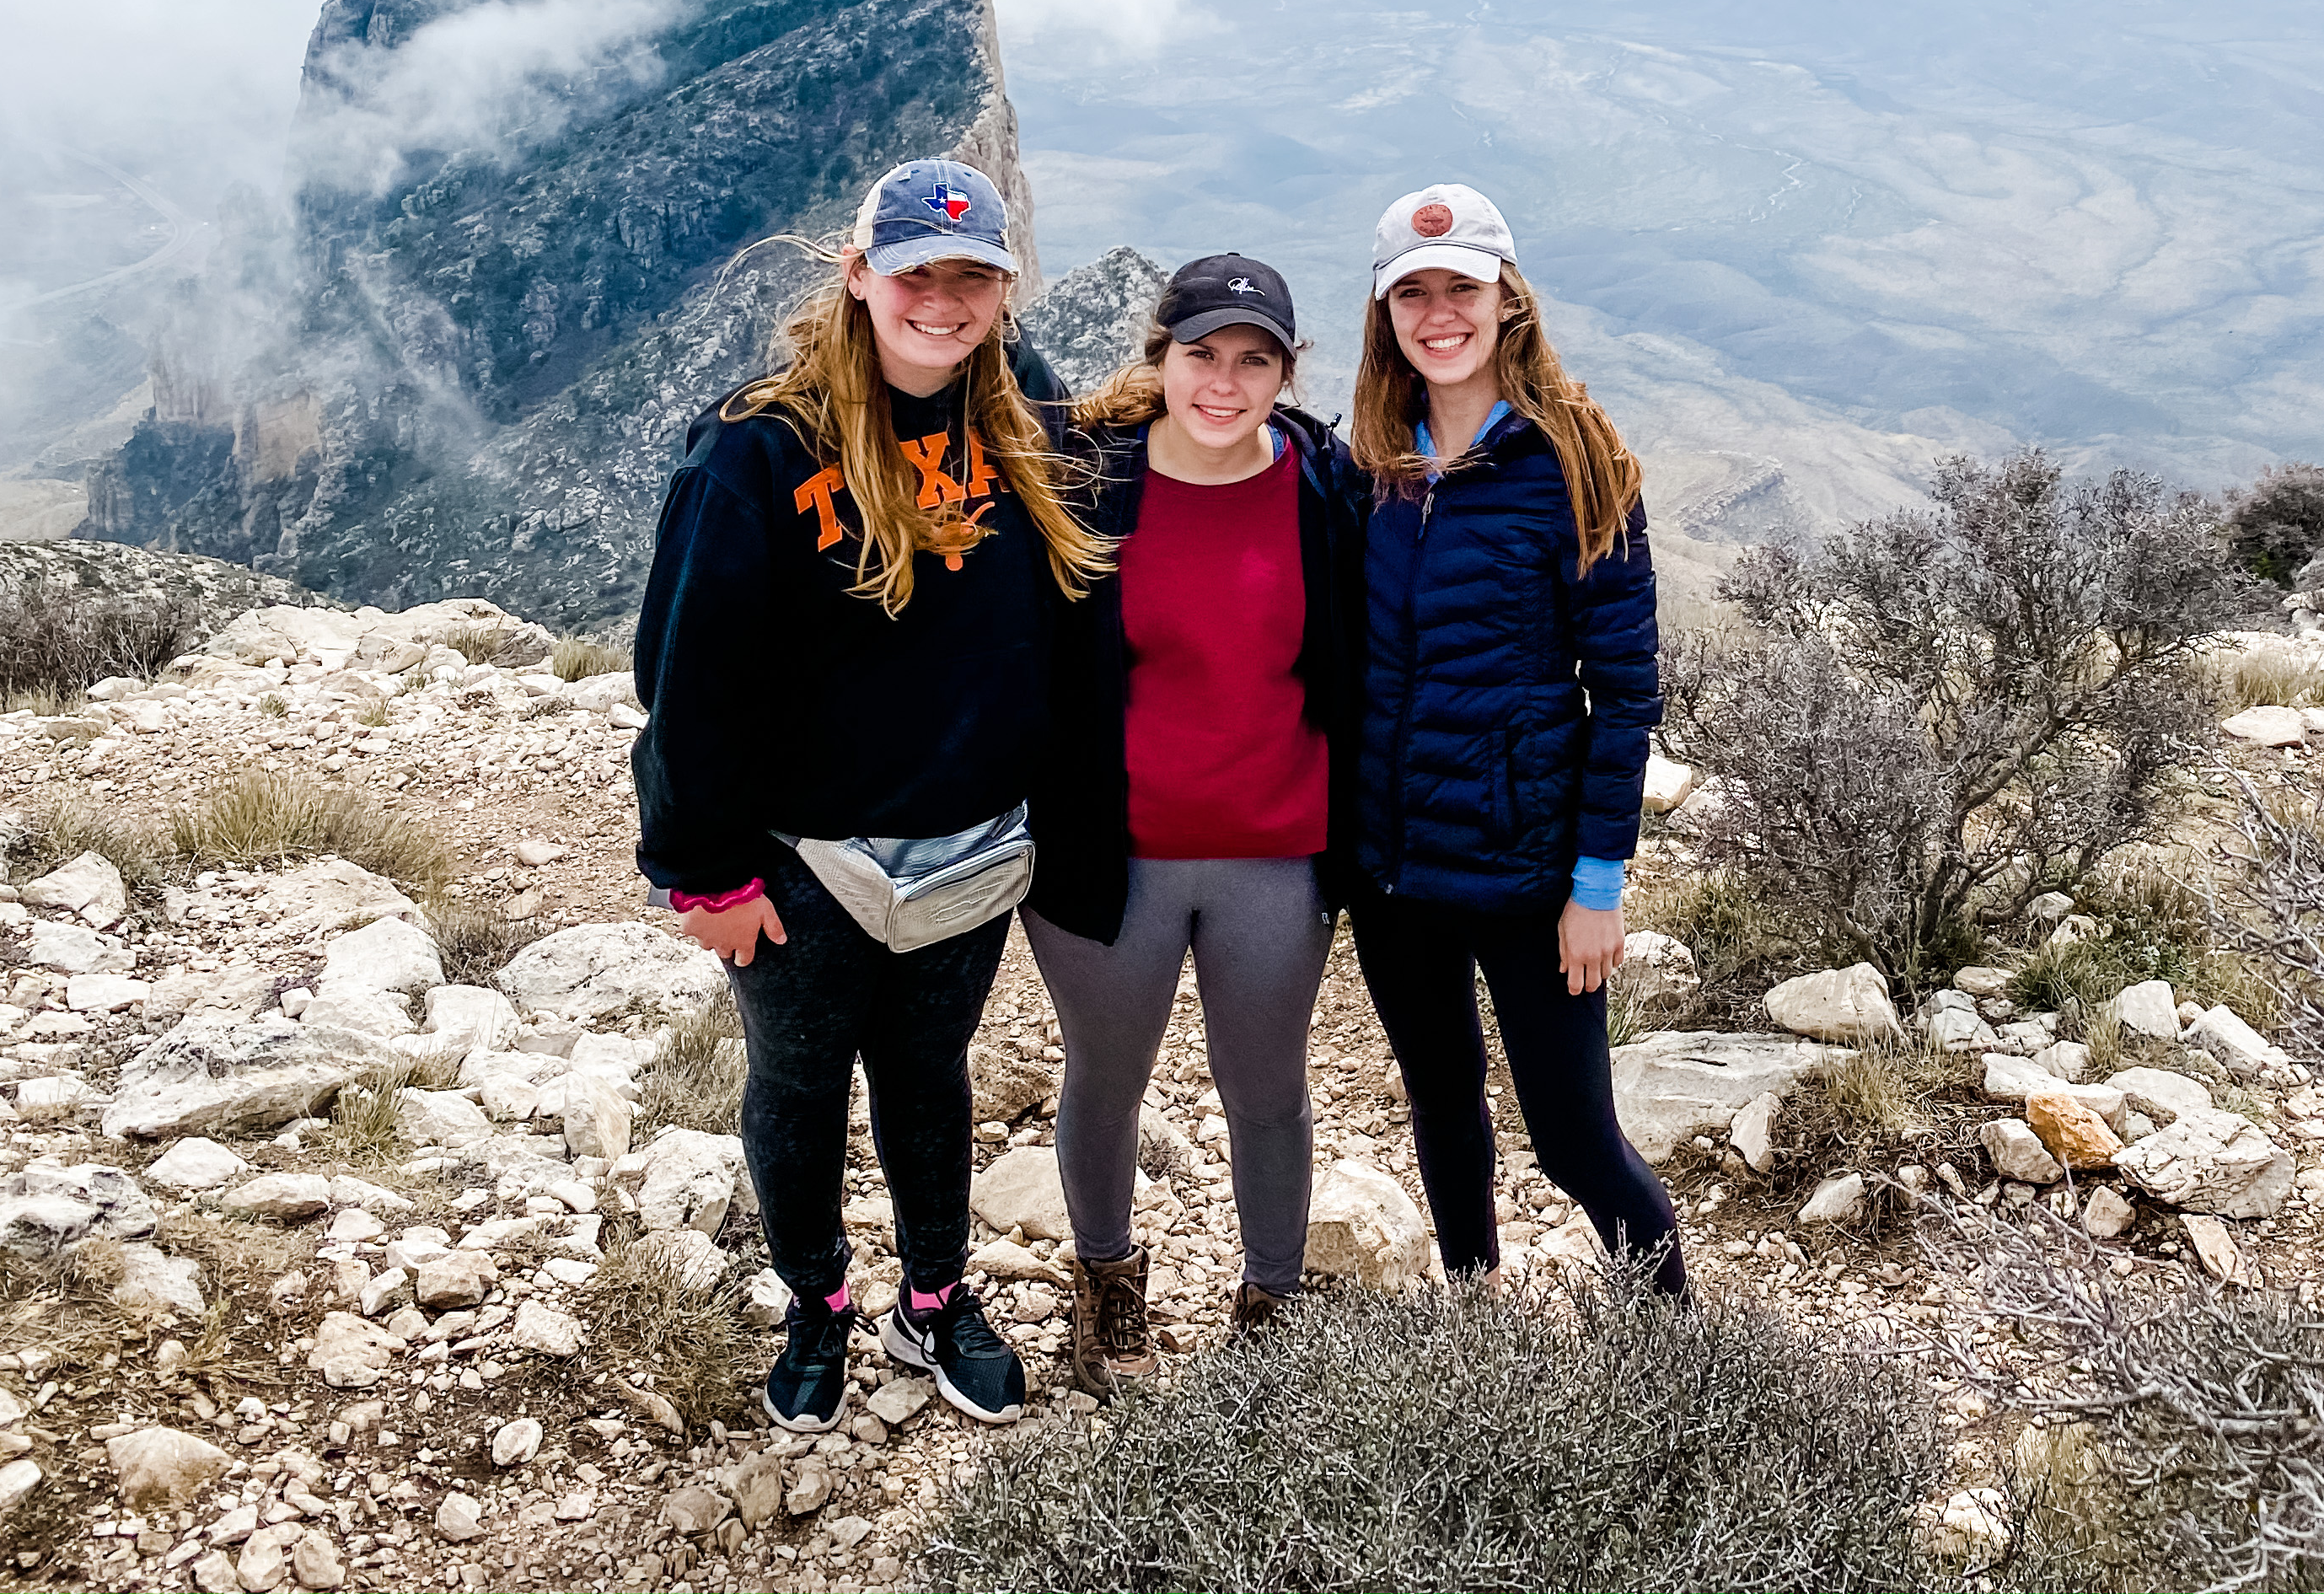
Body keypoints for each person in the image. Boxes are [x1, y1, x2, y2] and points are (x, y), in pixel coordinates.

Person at [631, 157, 1105, 1431]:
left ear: (1004, 289)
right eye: (913, 275)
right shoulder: (758, 447)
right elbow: (685, 675)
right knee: (798, 1087)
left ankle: (935, 1298)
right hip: (806, 860)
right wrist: (706, 874)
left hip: (973, 846)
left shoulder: (1029, 416)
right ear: (858, 277)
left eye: (971, 278)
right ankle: (817, 1302)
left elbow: (1073, 622)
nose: (941, 303)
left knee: (928, 1074)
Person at [1023, 252, 1365, 1397]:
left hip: (1277, 847)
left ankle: (1272, 1307)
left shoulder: (1323, 485)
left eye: (1253, 361)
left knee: (1266, 1088)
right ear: (1160, 356)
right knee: (1107, 1076)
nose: (1224, 383)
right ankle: (1107, 1291)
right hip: (1110, 852)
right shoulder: (1087, 480)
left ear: (1286, 372)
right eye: (1201, 354)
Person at [1343, 181, 1682, 1292]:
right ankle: (1477, 1320)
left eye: (1464, 290)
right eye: (1414, 295)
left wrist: (1598, 884)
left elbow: (1624, 691)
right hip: (1394, 873)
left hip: (1528, 874)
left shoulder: (1577, 461)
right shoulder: (1372, 462)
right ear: (1385, 314)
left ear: (1509, 301)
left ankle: (1684, 1355)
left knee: (1575, 1142)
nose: (1440, 315)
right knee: (1442, 1107)